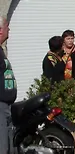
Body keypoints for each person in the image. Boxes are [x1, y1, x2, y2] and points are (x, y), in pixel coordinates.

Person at [0, 17, 17, 154]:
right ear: (0, 30)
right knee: (3, 147)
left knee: (10, 146)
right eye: (7, 26)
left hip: (6, 105)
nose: (9, 29)